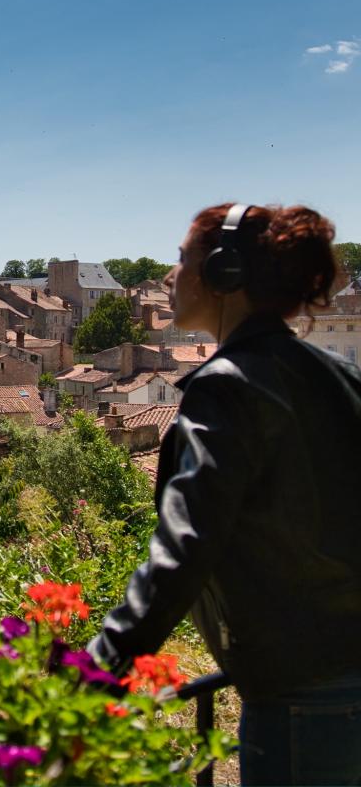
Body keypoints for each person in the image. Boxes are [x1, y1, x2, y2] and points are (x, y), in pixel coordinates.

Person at [88, 203, 361, 786]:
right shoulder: (338, 375)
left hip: (302, 697)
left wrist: (99, 669)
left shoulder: (227, 386)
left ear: (224, 273)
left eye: (182, 259)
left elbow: (184, 548)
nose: (168, 277)